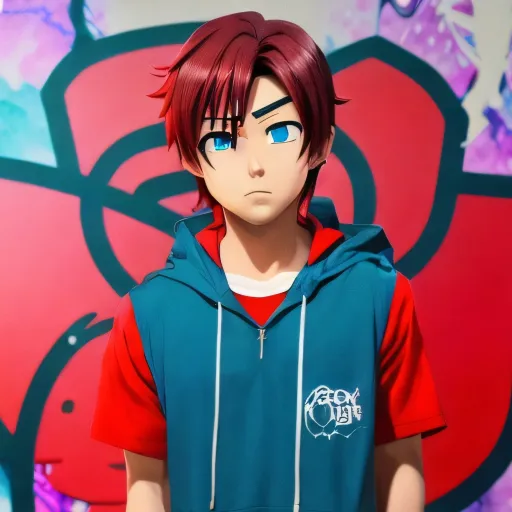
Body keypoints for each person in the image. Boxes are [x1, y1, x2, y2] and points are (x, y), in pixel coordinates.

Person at [91, 11, 445, 512]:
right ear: (191, 157)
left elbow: (401, 464)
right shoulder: (148, 315)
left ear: (320, 143)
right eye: (222, 139)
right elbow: (145, 485)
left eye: (279, 132)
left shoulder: (379, 296)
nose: (255, 164)